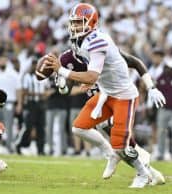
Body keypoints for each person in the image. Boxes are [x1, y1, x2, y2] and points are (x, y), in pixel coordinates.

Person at [45, 3, 165, 188]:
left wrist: (151, 87)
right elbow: (93, 75)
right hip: (106, 94)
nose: (75, 27)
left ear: (91, 23)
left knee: (121, 145)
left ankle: (143, 174)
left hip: (124, 96)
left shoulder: (97, 41)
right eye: (74, 23)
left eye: (79, 23)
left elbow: (94, 74)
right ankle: (110, 153)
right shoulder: (81, 43)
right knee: (78, 128)